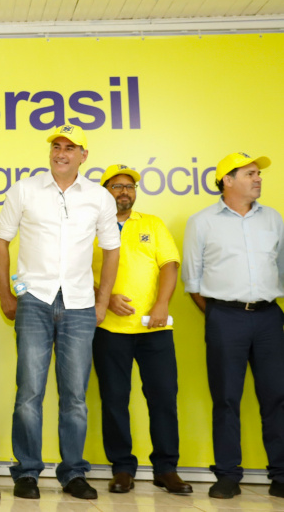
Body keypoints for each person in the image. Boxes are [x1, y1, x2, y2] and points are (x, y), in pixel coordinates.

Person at [0, 124, 120, 500]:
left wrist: (101, 301)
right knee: (29, 391)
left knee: (75, 396)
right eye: (56, 146)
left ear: (84, 156)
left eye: (70, 148)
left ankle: (73, 473)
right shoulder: (25, 190)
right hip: (34, 300)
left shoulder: (99, 197)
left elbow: (112, 249)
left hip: (80, 305)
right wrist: (6, 294)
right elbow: (1, 242)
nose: (61, 152)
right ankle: (27, 472)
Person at [182, 152, 284, 500]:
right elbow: (193, 282)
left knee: (277, 397)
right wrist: (219, 314)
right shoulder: (202, 221)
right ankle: (227, 475)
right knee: (226, 398)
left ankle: (281, 474)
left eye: (258, 174)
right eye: (250, 173)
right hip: (225, 317)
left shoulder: (273, 219)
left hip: (270, 317)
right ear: (227, 180)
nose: (258, 179)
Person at [91, 164, 192, 495]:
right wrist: (102, 295)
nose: (125, 191)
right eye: (117, 186)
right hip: (109, 330)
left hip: (154, 330)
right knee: (115, 400)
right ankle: (122, 469)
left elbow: (170, 265)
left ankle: (166, 469)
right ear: (104, 192)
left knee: (163, 399)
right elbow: (73, 272)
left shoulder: (153, 224)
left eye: (130, 185)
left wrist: (162, 304)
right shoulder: (88, 227)